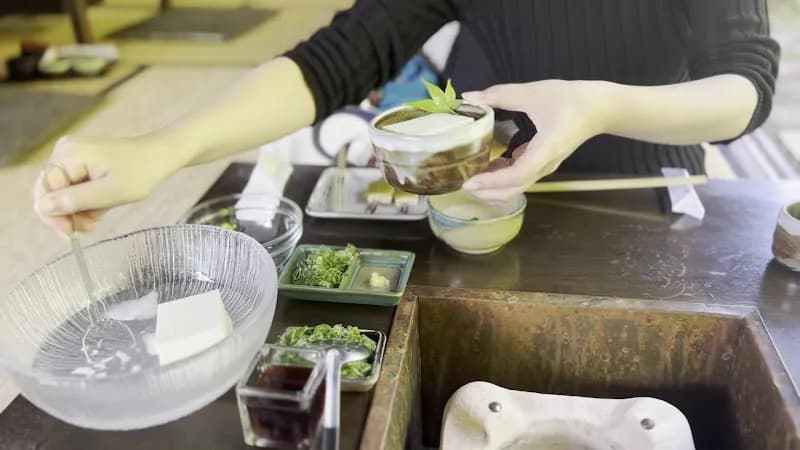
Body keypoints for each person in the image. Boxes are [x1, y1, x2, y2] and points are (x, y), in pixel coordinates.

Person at [33, 0, 779, 235]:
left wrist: (602, 104)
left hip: (648, 195)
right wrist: (165, 147)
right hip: (486, 191)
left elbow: (746, 86)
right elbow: (337, 60)